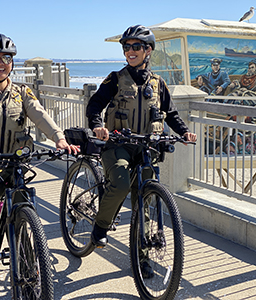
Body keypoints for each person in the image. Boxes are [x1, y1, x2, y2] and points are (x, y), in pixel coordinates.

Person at [0, 33, 79, 259]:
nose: (1, 63)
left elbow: (39, 114)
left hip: (13, 159)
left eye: (6, 58)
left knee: (22, 195)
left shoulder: (22, 93)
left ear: (12, 62)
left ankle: (26, 255)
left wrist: (59, 138)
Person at [86, 25, 197, 278]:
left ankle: (143, 257)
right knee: (122, 182)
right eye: (127, 47)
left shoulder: (158, 84)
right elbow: (94, 106)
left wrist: (184, 132)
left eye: (136, 46)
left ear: (148, 50)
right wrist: (98, 126)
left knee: (144, 203)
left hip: (146, 148)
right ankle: (100, 227)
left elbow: (171, 114)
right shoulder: (115, 78)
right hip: (118, 146)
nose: (130, 51)